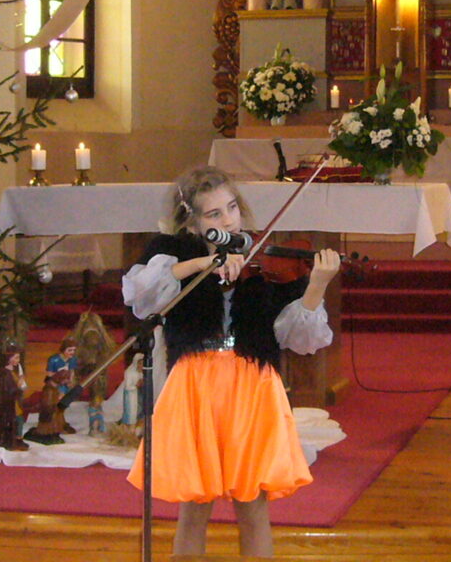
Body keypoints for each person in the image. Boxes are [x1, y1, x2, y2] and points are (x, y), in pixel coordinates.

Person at [122, 166, 340, 557]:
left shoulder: (265, 261)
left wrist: (318, 284)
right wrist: (202, 265)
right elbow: (142, 294)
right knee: (194, 507)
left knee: (253, 507)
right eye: (214, 213)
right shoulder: (171, 252)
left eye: (232, 207)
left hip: (252, 384)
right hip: (195, 383)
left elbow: (298, 336)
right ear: (192, 222)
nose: (228, 220)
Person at [0, 345, 29, 451]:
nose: (18, 360)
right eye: (16, 357)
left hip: (15, 402)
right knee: (14, 421)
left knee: (19, 420)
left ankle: (18, 439)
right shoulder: (5, 373)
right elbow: (8, 390)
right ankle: (10, 441)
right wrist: (19, 386)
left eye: (19, 358)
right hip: (8, 405)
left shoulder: (13, 370)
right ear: (9, 358)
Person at [45, 337, 78, 434]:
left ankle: (61, 421)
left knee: (64, 403)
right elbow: (49, 374)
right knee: (57, 404)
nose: (72, 352)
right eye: (69, 350)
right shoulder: (54, 360)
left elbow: (72, 371)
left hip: (66, 385)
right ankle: (55, 422)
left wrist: (71, 381)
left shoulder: (72, 360)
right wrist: (60, 378)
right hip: (55, 384)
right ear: (64, 349)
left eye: (74, 350)